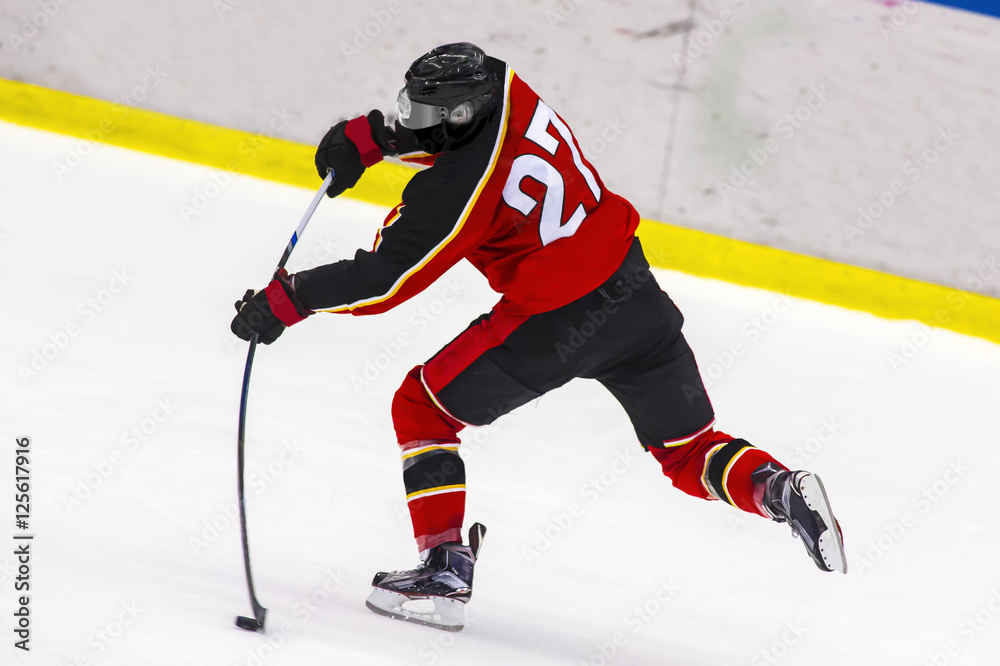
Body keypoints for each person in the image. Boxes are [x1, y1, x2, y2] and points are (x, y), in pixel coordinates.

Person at [231, 42, 846, 631]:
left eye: (420, 113)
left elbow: (386, 280)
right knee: (687, 448)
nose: (411, 118)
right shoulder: (501, 82)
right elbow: (455, 134)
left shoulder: (456, 191)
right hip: (633, 290)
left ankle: (444, 573)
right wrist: (373, 138)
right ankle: (779, 489)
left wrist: (286, 301)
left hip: (558, 322)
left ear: (459, 112)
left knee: (420, 406)